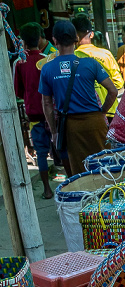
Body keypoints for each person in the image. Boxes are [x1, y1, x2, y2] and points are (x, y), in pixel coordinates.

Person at [39, 20, 117, 175]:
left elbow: (47, 104)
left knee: (81, 172)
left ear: (54, 40)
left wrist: (54, 132)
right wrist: (102, 112)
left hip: (70, 127)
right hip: (95, 123)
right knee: (107, 168)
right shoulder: (90, 64)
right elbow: (113, 91)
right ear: (76, 39)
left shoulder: (47, 68)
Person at [14, 23, 60, 198]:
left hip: (33, 114)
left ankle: (47, 189)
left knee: (41, 152)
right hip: (51, 112)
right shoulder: (46, 60)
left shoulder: (20, 63)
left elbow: (18, 90)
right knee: (60, 146)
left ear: (23, 42)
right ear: (40, 39)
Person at [72, 15, 124, 122]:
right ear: (92, 34)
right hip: (110, 110)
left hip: (85, 113)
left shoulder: (72, 57)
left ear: (73, 35)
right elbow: (119, 83)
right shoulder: (106, 54)